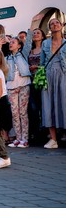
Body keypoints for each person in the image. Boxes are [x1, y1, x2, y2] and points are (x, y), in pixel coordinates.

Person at [41, 18, 66, 149]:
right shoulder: (45, 43)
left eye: (57, 22)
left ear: (61, 26)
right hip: (48, 75)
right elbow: (42, 63)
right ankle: (53, 139)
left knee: (64, 103)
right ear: (49, 28)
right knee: (48, 105)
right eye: (52, 23)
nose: (55, 24)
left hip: (63, 75)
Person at [5, 36, 31, 148]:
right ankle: (18, 138)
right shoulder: (7, 57)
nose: (11, 44)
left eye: (13, 42)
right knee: (14, 113)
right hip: (11, 86)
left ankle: (25, 139)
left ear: (19, 45)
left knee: (23, 113)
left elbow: (29, 42)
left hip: (24, 85)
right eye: (10, 42)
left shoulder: (23, 53)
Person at [27, 27, 46, 144]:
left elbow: (47, 63)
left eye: (38, 33)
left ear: (43, 36)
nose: (36, 35)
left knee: (44, 106)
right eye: (34, 33)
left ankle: (45, 132)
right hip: (32, 80)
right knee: (33, 108)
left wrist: (37, 67)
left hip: (42, 80)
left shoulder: (45, 48)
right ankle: (36, 133)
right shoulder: (30, 50)